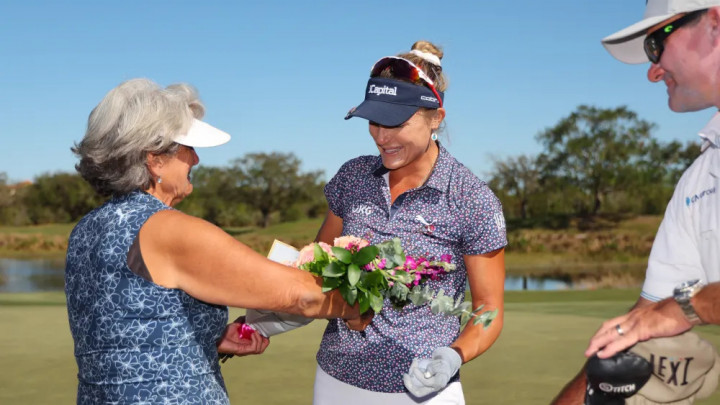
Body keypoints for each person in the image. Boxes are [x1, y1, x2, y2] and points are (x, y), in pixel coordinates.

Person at [65, 78, 368, 404]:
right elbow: (300, 295)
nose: (195, 160)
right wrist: (358, 308)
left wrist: (209, 337)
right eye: (187, 149)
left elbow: (125, 331)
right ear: (154, 159)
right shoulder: (168, 230)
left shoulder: (86, 229)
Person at [311, 41, 507, 405]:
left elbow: (489, 311)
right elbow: (317, 268)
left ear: (436, 118)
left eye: (396, 122)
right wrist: (270, 319)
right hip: (335, 380)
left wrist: (454, 355)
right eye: (374, 120)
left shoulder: (471, 198)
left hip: (424, 391)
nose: (381, 137)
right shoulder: (353, 177)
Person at [553, 1, 720, 403]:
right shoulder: (698, 180)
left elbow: (668, 312)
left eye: (656, 46)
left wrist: (685, 308)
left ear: (715, 22)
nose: (653, 71)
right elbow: (644, 319)